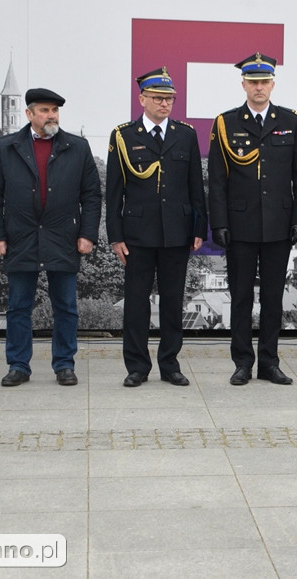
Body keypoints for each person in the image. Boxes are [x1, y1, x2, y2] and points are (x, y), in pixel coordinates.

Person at [0, 88, 102, 387]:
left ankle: (64, 364)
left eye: (55, 111)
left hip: (63, 237)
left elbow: (91, 195)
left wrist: (88, 234)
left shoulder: (77, 147)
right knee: (19, 306)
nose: (51, 116)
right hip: (21, 237)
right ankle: (19, 365)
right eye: (45, 110)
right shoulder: (7, 146)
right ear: (29, 114)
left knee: (65, 306)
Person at [209, 53, 297, 386]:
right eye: (253, 82)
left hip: (279, 225)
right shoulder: (226, 123)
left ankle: (269, 361)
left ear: (272, 84)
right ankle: (242, 362)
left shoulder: (290, 122)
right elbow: (218, 179)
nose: (259, 87)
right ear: (244, 85)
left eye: (264, 82)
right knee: (240, 297)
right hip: (240, 226)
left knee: (272, 297)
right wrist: (219, 223)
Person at [106, 67, 208, 387]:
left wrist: (198, 229)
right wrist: (115, 236)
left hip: (176, 232)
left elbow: (196, 187)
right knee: (136, 303)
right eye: (159, 98)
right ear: (143, 99)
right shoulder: (123, 136)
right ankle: (137, 366)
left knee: (172, 302)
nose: (165, 104)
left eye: (170, 99)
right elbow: (113, 192)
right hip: (137, 235)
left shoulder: (186, 134)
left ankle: (169, 364)